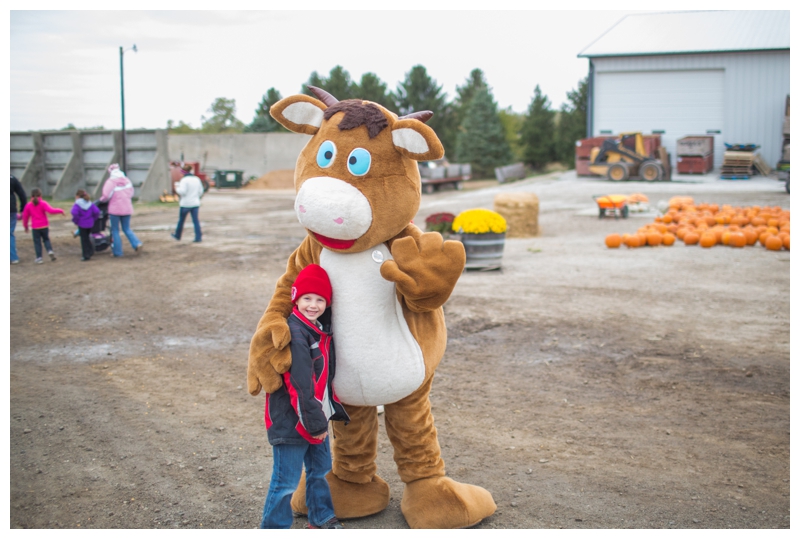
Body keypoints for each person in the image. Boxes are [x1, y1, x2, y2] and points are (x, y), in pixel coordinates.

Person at [260, 264, 349, 530]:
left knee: (320, 472)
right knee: (285, 481)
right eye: (307, 298)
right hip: (292, 420)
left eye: (320, 299)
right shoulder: (296, 334)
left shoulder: (321, 331)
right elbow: (299, 384)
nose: (313, 305)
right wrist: (316, 424)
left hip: (314, 414)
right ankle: (274, 529)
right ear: (295, 299)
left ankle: (321, 518)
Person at [100, 163, 143, 257]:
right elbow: (131, 193)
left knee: (115, 230)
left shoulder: (110, 182)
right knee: (126, 228)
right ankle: (137, 243)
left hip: (115, 209)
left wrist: (101, 201)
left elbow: (106, 196)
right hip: (127, 208)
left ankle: (118, 252)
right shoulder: (127, 180)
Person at [21, 188, 65, 264]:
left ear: (31, 196)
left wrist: (26, 227)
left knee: (37, 242)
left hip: (35, 227)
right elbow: (51, 211)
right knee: (46, 240)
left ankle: (39, 258)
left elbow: (25, 217)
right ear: (40, 195)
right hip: (44, 225)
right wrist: (60, 210)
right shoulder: (43, 203)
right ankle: (50, 250)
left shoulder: (28, 205)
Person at [171, 164, 204, 242]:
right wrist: (196, 198)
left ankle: (177, 235)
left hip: (185, 204)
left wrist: (176, 188)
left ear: (183, 172)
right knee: (196, 221)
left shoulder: (184, 180)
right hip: (195, 203)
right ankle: (198, 237)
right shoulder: (197, 179)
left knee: (181, 221)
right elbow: (201, 191)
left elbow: (182, 192)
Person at [71, 189, 100, 261]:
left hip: (82, 224)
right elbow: (97, 211)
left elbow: (74, 212)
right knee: (87, 237)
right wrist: (93, 219)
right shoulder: (90, 203)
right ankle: (90, 251)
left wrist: (76, 221)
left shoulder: (77, 204)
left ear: (77, 196)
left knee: (84, 239)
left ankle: (85, 255)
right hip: (90, 223)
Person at [10, 174, 27, 264]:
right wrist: (22, 210)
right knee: (9, 234)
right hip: (11, 209)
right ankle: (13, 257)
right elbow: (22, 195)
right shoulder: (12, 178)